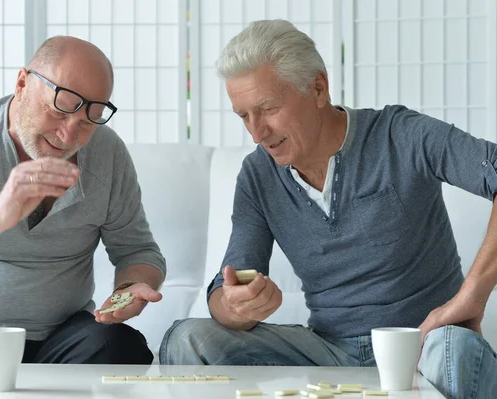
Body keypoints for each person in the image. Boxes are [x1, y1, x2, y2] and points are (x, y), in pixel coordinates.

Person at [159, 19, 496, 398]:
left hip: (423, 346)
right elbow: (229, 286)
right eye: (243, 115)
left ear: (318, 88)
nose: (256, 133)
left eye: (268, 108)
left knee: (456, 348)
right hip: (329, 352)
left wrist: (472, 295)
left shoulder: (401, 135)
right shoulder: (258, 175)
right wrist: (235, 307)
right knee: (186, 339)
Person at [0, 36, 166, 389]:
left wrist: (131, 288)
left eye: (89, 121)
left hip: (57, 341)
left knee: (118, 346)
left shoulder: (108, 154)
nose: (69, 135)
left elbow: (138, 251)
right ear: (22, 83)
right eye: (59, 109)